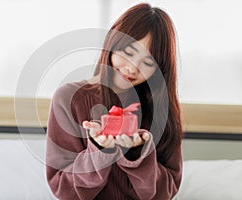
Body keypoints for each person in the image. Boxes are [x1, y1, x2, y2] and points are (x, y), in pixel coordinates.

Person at [46, 3, 183, 200]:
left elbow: (167, 191)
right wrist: (99, 151)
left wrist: (138, 154)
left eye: (147, 62)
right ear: (112, 42)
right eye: (128, 53)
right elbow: (62, 187)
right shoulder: (68, 99)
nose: (132, 68)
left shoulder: (161, 107)